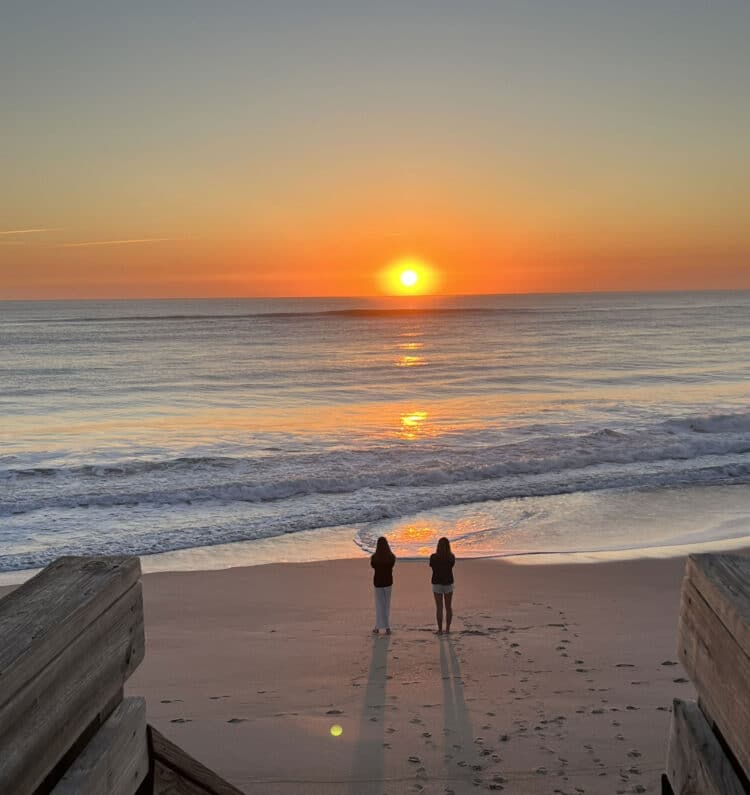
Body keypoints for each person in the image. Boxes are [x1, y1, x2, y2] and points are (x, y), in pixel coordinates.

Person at [429, 537, 455, 635]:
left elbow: (432, 567)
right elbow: (451, 566)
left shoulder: (433, 557)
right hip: (448, 583)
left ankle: (440, 630)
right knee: (448, 607)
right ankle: (447, 629)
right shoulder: (451, 557)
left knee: (439, 607)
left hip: (437, 583)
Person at [370, 536, 395, 635]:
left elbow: (373, 566)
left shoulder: (375, 558)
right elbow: (392, 565)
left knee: (379, 605)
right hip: (388, 582)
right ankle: (387, 628)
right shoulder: (391, 557)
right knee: (386, 605)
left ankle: (378, 627)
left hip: (378, 582)